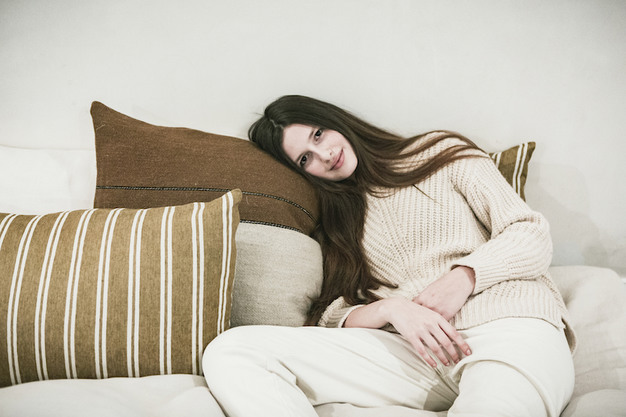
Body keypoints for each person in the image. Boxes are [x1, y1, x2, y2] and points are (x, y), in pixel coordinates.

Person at [202, 95, 575, 417]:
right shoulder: (337, 224)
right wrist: (392, 309)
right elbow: (330, 315)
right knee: (233, 351)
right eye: (305, 159)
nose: (325, 154)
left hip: (507, 329)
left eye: (319, 134)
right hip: (414, 353)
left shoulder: (439, 152)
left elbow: (529, 231)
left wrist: (463, 277)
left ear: (335, 120)